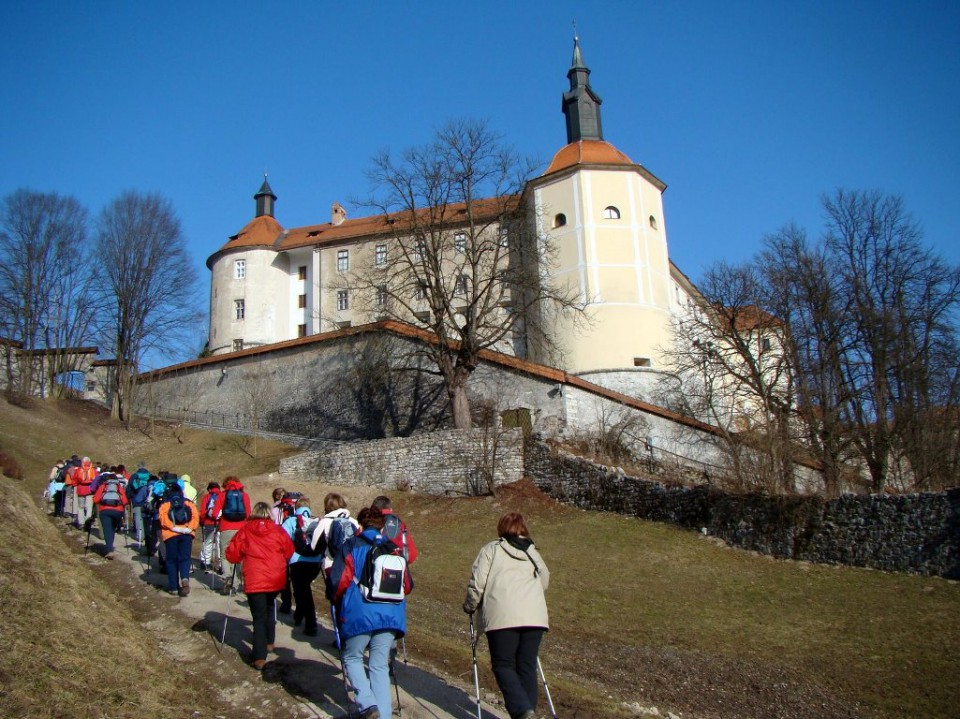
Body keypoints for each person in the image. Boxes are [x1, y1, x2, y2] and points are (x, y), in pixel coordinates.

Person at [463, 512, 550, 719]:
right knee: (526, 666)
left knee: (503, 665)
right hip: (534, 617)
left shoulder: (492, 549)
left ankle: (523, 711)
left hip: (502, 616)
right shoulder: (532, 551)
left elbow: (478, 581)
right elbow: (544, 579)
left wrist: (470, 605)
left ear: (502, 528)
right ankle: (527, 712)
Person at [330, 507, 410, 719]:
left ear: (360, 524)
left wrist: (336, 599)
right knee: (379, 666)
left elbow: (338, 582)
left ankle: (366, 704)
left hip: (360, 611)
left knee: (352, 657)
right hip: (391, 615)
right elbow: (408, 585)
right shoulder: (393, 548)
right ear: (382, 526)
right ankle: (383, 715)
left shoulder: (351, 546)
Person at [224, 501, 294, 670]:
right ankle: (269, 642)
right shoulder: (278, 530)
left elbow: (232, 554)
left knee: (259, 616)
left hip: (255, 577)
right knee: (270, 608)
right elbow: (289, 550)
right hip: (274, 576)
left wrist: (238, 557)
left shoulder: (246, 530)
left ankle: (259, 656)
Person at [280, 497, 322, 636]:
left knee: (303, 591)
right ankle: (299, 615)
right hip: (315, 562)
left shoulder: (291, 521)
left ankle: (311, 624)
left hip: (297, 561)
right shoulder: (316, 521)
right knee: (303, 589)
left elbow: (283, 540)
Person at [212, 475, 252, 593]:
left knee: (225, 555)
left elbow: (215, 514)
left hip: (225, 528)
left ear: (225, 484)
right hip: (241, 529)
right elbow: (249, 514)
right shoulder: (244, 495)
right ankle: (237, 583)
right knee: (239, 556)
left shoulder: (222, 495)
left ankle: (228, 576)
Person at [159, 484, 199, 597]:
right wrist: (189, 529)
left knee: (171, 561)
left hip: (170, 535)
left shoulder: (165, 504)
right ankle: (185, 578)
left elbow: (163, 519)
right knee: (185, 558)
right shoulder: (188, 503)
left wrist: (174, 528)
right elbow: (196, 517)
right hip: (187, 534)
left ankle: (174, 587)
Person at [371, 495, 418, 563]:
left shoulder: (371, 522)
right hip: (398, 566)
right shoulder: (399, 523)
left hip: (376, 566)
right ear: (390, 509)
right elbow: (411, 555)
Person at [92, 472, 129, 559]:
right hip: (117, 511)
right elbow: (125, 501)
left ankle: (109, 549)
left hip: (105, 511)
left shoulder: (103, 486)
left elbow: (96, 499)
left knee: (107, 529)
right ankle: (110, 546)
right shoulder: (119, 487)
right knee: (112, 529)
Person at [197, 481, 222, 573]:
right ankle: (220, 565)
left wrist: (202, 521)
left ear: (209, 489)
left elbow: (203, 511)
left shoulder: (207, 497)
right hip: (220, 523)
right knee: (220, 544)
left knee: (208, 542)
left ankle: (205, 562)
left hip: (209, 522)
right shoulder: (223, 496)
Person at [127, 462, 152, 546]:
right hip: (147, 500)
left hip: (136, 499)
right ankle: (148, 534)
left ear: (138, 467)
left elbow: (129, 487)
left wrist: (129, 497)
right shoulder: (149, 475)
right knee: (147, 518)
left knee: (138, 517)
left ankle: (140, 536)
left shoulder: (134, 476)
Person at [72, 456, 98, 530]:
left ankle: (81, 523)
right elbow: (97, 480)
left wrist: (75, 485)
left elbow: (74, 480)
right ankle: (87, 523)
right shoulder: (93, 470)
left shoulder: (79, 470)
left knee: (80, 507)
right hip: (90, 490)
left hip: (81, 490)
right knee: (89, 508)